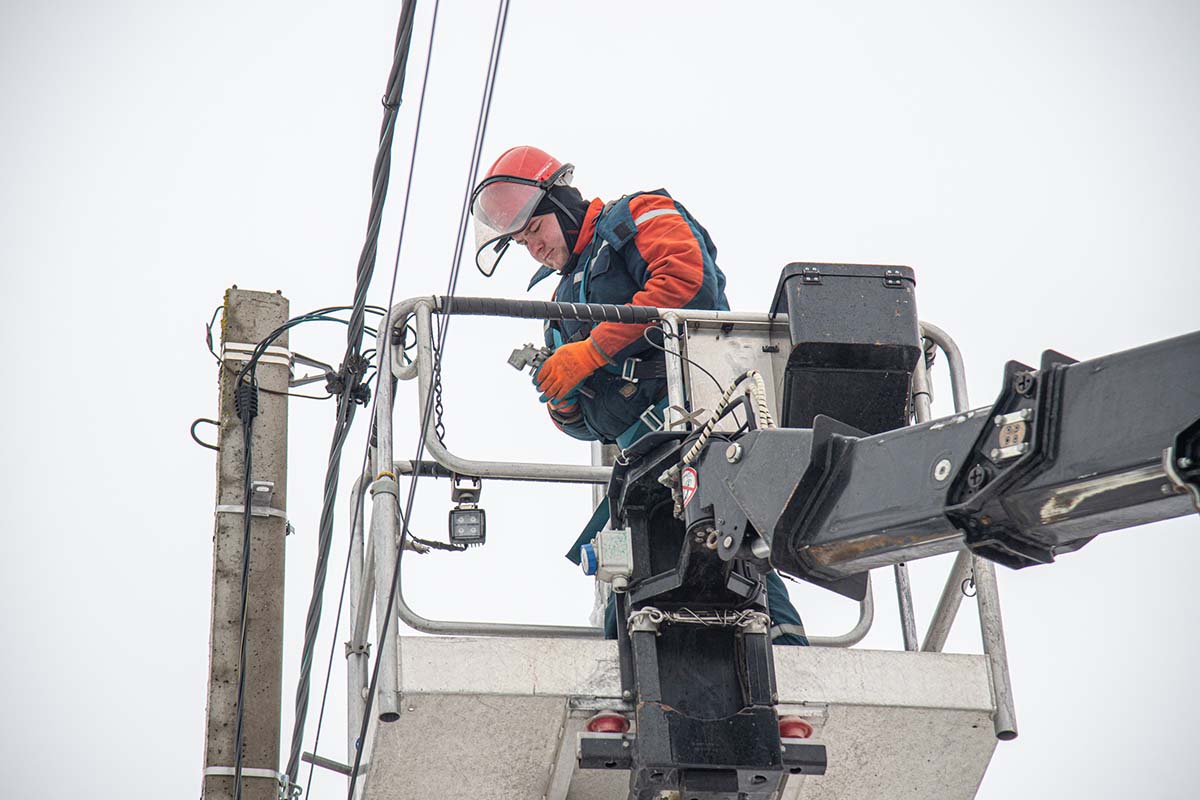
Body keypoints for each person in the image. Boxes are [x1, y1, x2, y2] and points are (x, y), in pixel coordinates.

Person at [470, 145, 808, 646]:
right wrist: (563, 402)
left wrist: (590, 353)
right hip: (639, 465)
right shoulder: (563, 305)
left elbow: (684, 284)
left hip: (705, 428)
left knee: (732, 548)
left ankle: (785, 652)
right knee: (626, 586)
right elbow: (591, 424)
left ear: (561, 205)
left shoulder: (639, 214)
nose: (534, 248)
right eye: (521, 243)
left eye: (535, 230)